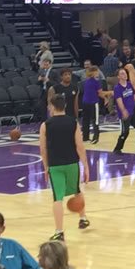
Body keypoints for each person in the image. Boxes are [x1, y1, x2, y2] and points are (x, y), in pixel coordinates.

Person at [41, 93, 89, 241]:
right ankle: (83, 218)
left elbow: (43, 149)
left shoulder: (46, 125)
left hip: (56, 165)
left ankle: (59, 231)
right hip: (72, 163)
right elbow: (80, 146)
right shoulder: (73, 123)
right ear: (65, 106)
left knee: (58, 198)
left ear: (52, 107)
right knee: (77, 190)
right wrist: (86, 166)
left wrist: (46, 167)